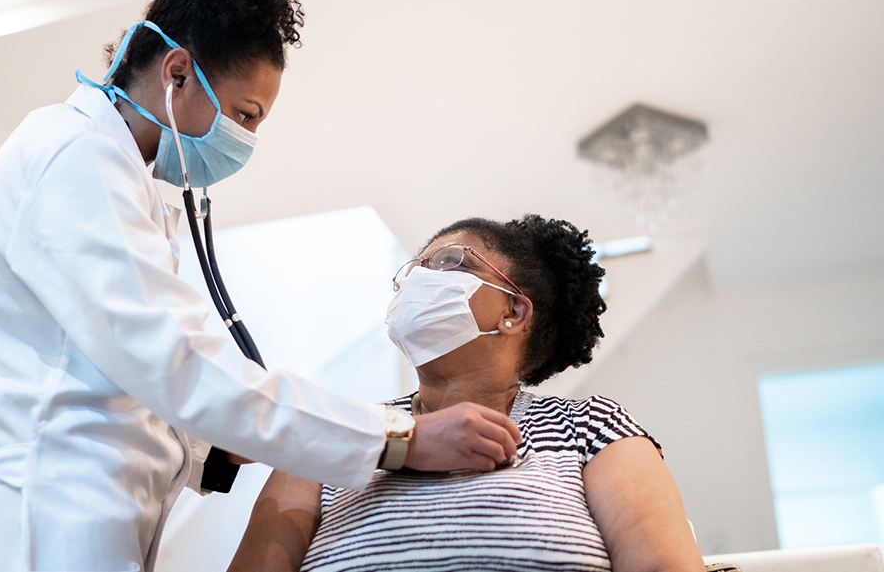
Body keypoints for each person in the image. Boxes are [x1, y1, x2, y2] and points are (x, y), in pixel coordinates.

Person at [0, 0, 521, 570]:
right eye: (244, 115)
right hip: (27, 528)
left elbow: (125, 381)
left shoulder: (124, 181)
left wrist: (216, 448)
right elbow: (178, 363)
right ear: (177, 72)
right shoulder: (73, 157)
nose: (245, 141)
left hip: (75, 522)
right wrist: (400, 439)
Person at [229, 215, 706, 572]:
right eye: (411, 270)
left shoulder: (590, 428)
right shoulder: (327, 429)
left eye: (445, 262)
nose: (416, 279)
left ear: (514, 312)